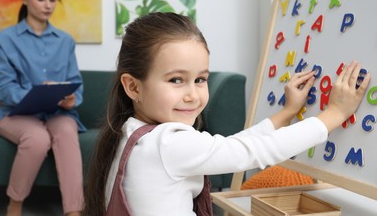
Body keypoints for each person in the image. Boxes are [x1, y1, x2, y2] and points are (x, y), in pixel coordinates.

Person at [83, 12, 370, 216]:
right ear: (133, 86)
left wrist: (286, 113)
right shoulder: (167, 143)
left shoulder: (131, 132)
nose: (192, 95)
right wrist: (334, 113)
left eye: (200, 79)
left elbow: (233, 146)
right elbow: (251, 152)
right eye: (175, 80)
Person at [0, 0, 84, 216]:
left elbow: (76, 83)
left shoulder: (65, 41)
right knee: (37, 138)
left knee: (66, 131)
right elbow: (3, 88)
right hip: (16, 114)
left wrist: (71, 98)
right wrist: (35, 94)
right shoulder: (4, 40)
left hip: (56, 113)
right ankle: (15, 204)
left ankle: (74, 211)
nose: (48, 5)